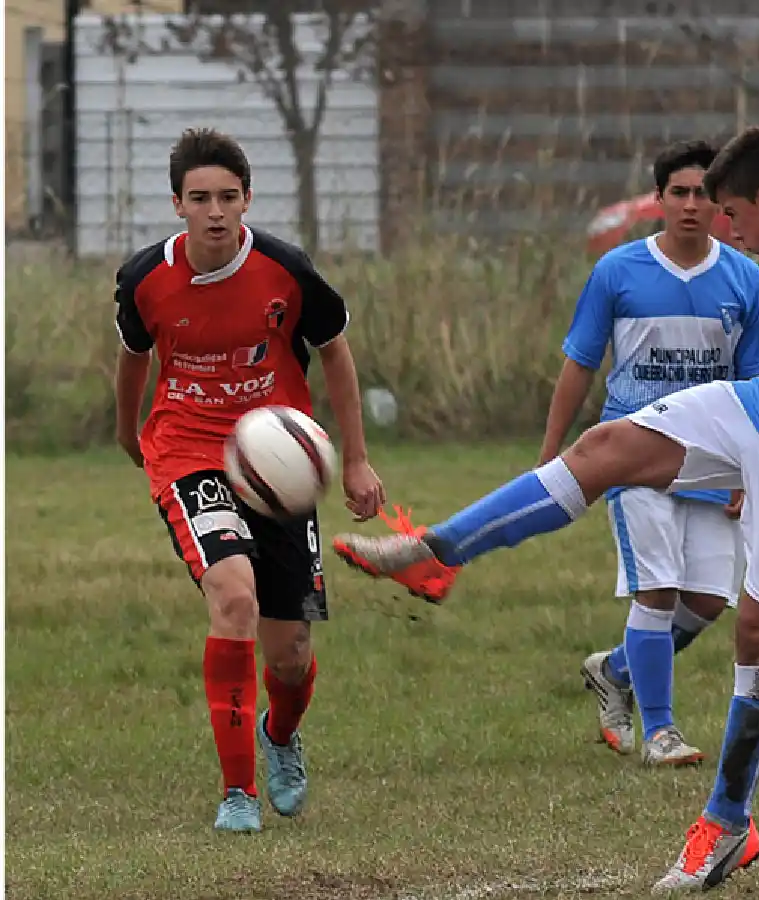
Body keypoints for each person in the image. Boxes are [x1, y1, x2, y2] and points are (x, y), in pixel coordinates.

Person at [331, 126, 759, 892]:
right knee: (605, 446)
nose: (727, 231)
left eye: (735, 215)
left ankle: (727, 826)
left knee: (755, 632)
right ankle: (434, 553)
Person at [113, 127, 385, 834]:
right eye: (199, 198)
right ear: (177, 204)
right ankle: (238, 794)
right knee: (232, 594)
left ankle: (280, 737)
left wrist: (353, 459)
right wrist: (126, 426)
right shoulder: (145, 279)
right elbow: (134, 355)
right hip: (190, 453)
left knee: (291, 656)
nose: (214, 211)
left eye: (227, 197)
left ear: (247, 200)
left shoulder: (286, 271)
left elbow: (335, 354)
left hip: (278, 466)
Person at [537, 139, 759, 767]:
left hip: (711, 458)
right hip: (633, 452)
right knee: (657, 586)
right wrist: (551, 458)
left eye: (704, 193)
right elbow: (580, 365)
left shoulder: (744, 276)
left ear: (721, 204)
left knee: (705, 601)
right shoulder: (617, 272)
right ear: (658, 199)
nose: (691, 204)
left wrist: (755, 470)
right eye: (679, 192)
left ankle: (614, 669)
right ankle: (660, 732)